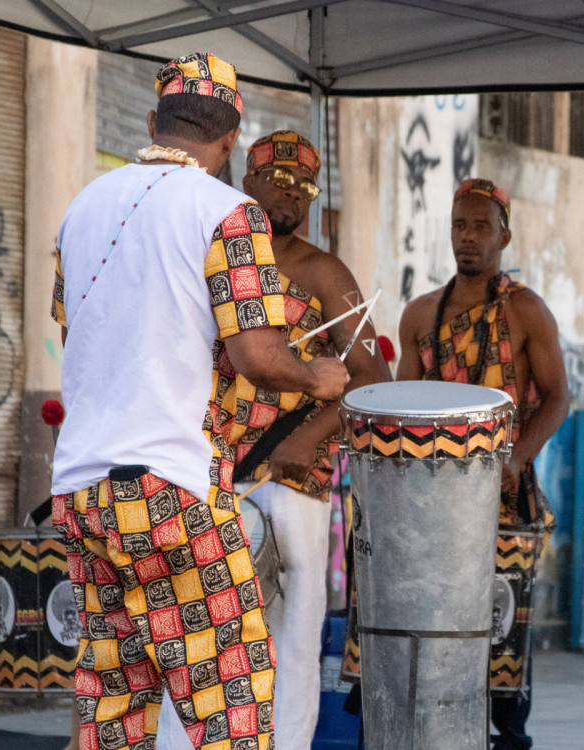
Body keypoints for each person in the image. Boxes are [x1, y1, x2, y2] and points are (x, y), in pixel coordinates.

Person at [50, 53, 350, 750]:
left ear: (153, 121)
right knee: (231, 709)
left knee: (114, 712)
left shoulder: (83, 206)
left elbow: (82, 333)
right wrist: (318, 378)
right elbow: (258, 356)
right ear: (229, 142)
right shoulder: (229, 212)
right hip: (171, 492)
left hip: (85, 493)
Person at [156, 131, 388, 749]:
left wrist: (310, 436)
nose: (291, 194)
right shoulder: (214, 250)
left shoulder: (324, 272)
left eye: (305, 186)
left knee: (294, 631)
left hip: (294, 477)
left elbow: (372, 380)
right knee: (196, 627)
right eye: (278, 179)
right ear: (247, 178)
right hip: (204, 469)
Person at [397, 178, 569, 750]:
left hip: (503, 504)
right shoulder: (420, 313)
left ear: (504, 236)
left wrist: (517, 458)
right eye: (458, 226)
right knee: (431, 646)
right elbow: (402, 409)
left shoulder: (526, 311)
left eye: (479, 227)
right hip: (432, 508)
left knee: (500, 651)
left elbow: (557, 398)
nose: (467, 238)